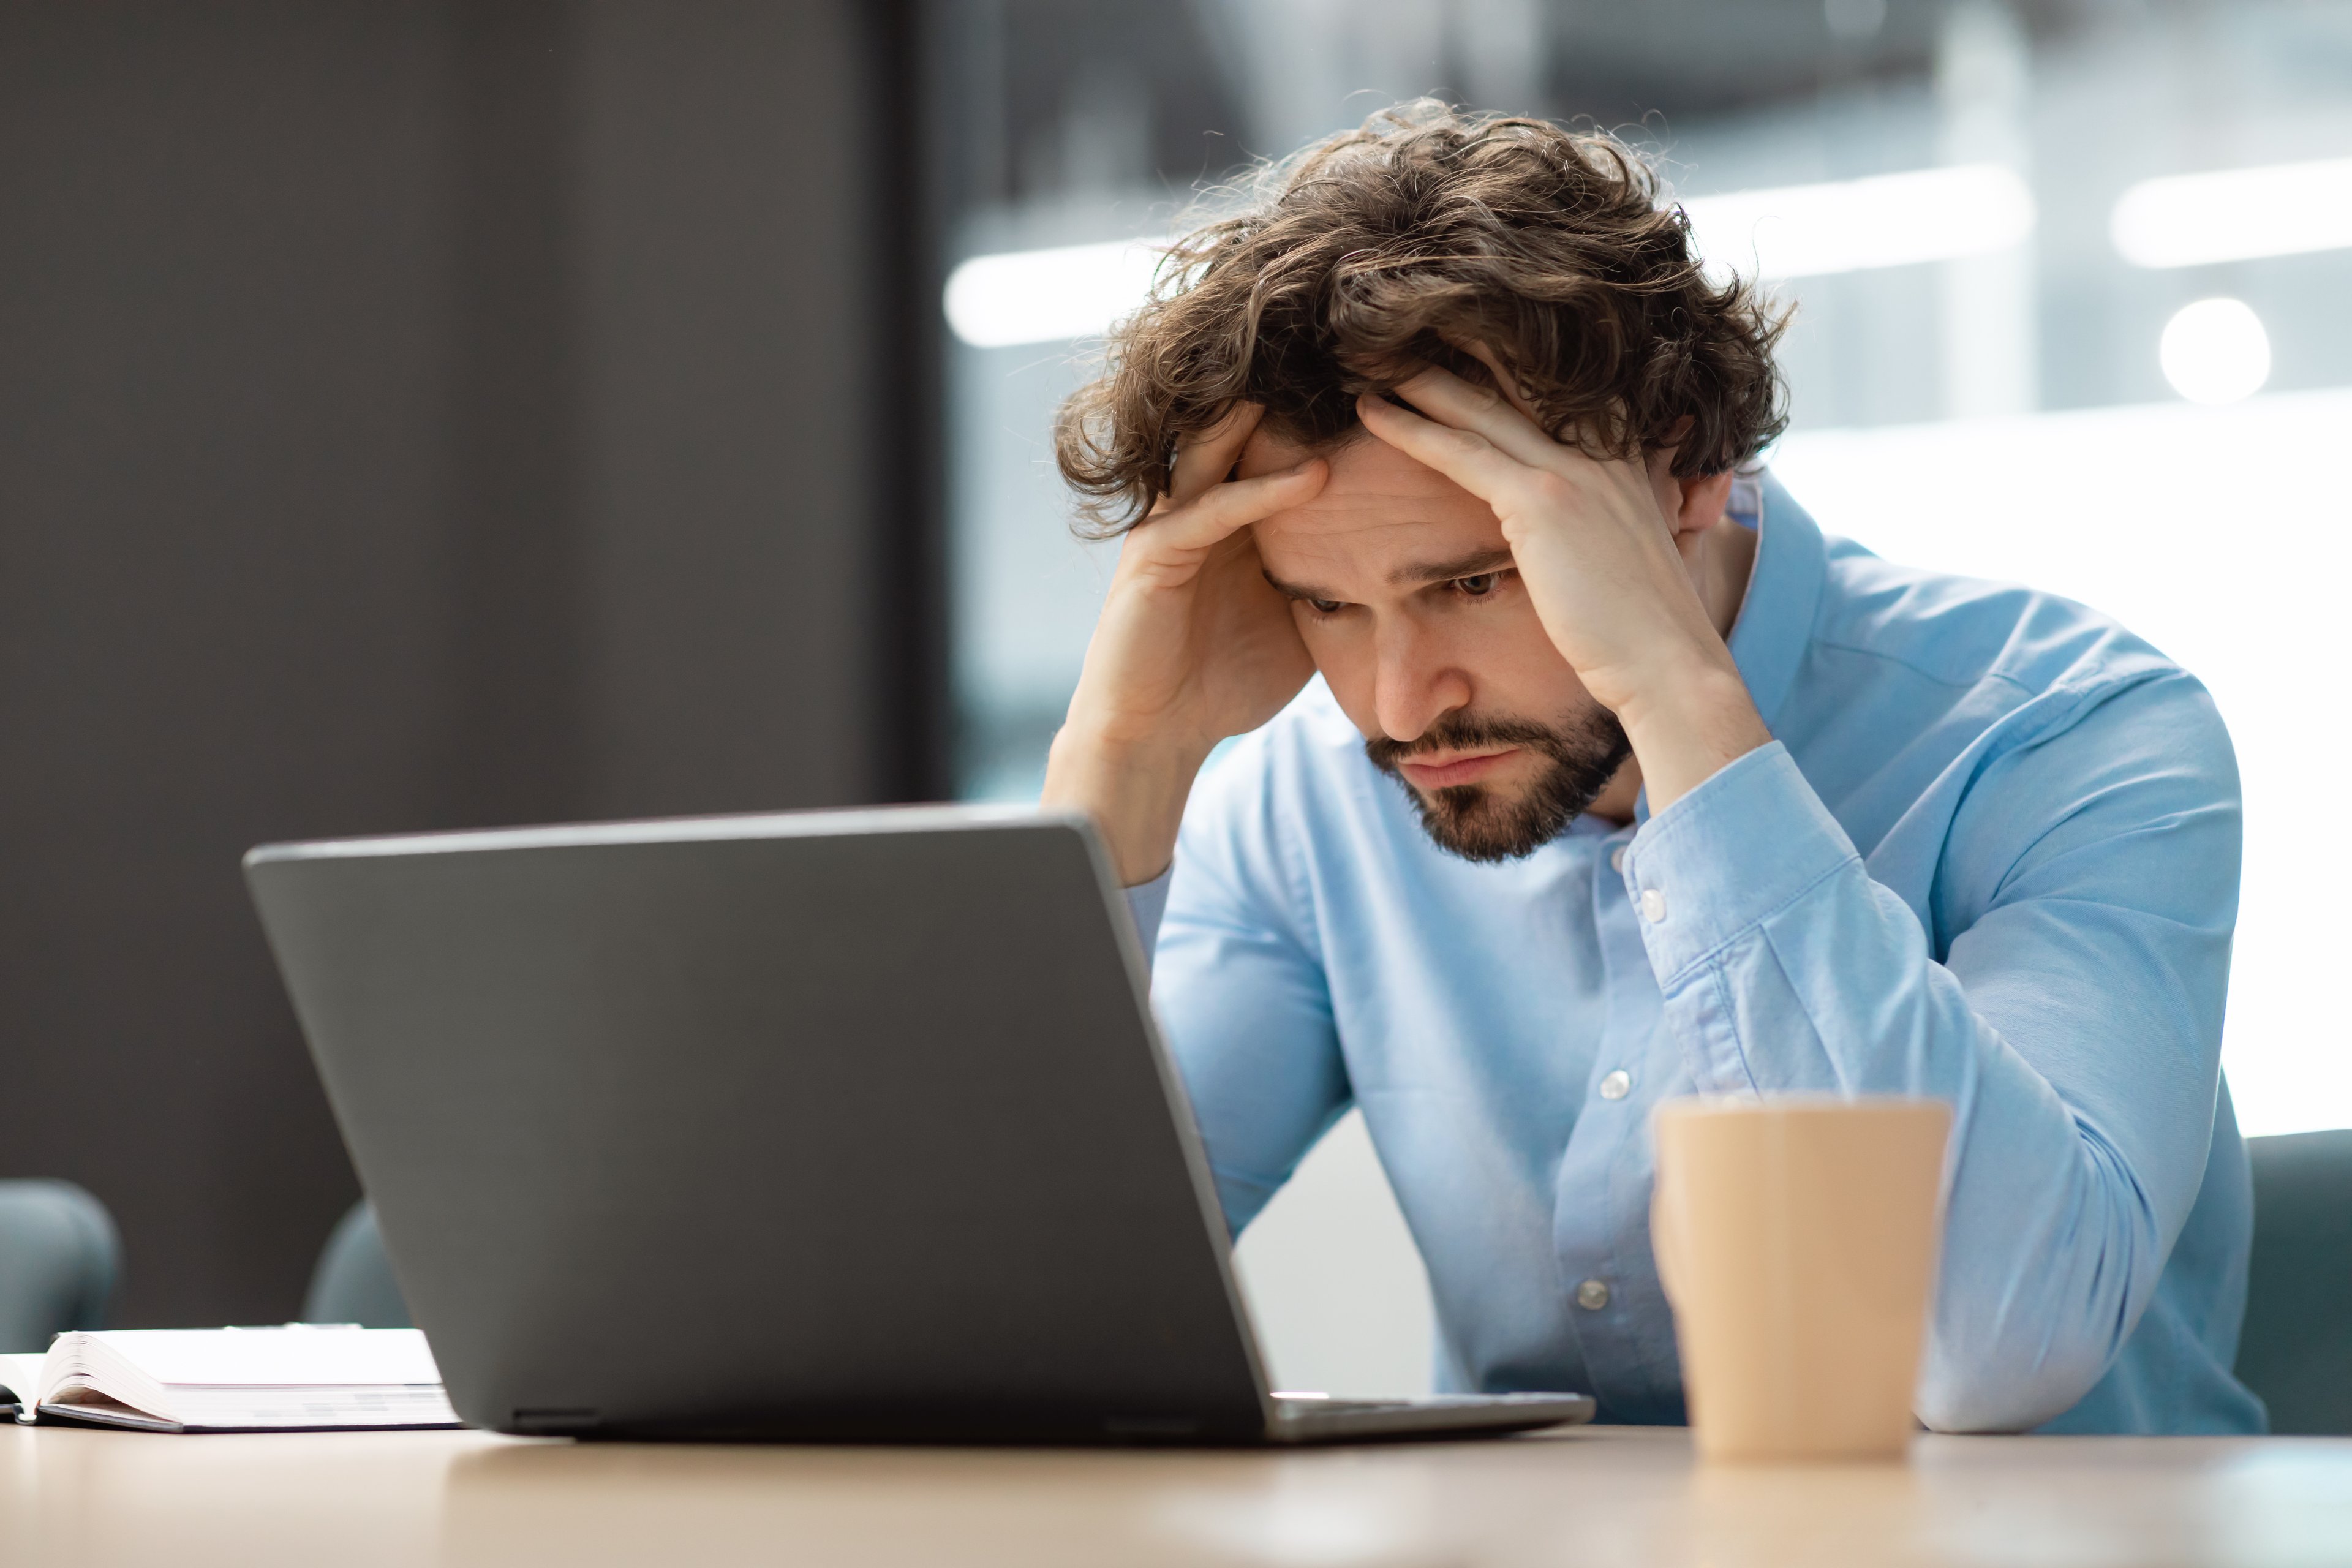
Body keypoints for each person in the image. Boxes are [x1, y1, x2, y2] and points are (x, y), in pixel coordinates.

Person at [1039, 102, 2261, 1435]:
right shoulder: (1306, 806)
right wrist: (1122, 764)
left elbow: (1992, 1346)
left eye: (1473, 578)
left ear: (1685, 479)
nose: (1401, 702)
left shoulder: (2072, 734)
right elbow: (1000, 1307)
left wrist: (1680, 701)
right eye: (1326, 604)